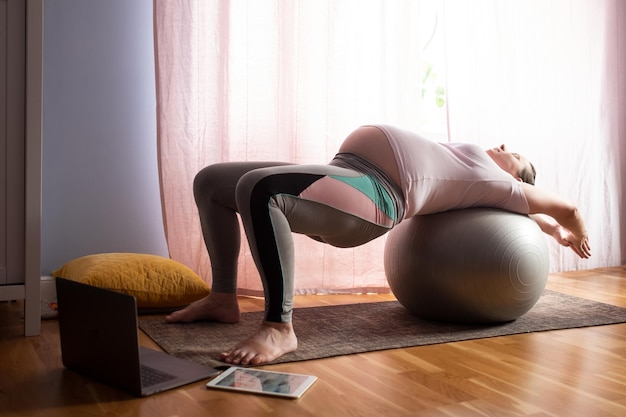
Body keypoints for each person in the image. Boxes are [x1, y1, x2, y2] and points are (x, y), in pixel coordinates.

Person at [165, 124, 591, 365]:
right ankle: (223, 298)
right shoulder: (478, 170)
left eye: (514, 153)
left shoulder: (501, 187)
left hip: (374, 194)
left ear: (517, 179)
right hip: (344, 170)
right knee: (213, 180)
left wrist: (572, 233)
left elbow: (566, 209)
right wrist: (552, 229)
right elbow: (537, 218)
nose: (503, 146)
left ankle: (279, 328)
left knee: (261, 190)